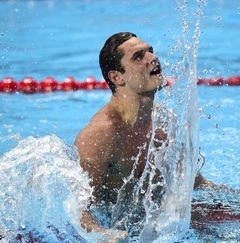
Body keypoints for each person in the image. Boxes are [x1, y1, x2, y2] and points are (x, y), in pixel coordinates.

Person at [74, 32, 213, 241]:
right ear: (116, 77)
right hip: (121, 228)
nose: (152, 58)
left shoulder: (164, 121)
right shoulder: (100, 136)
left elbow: (194, 182)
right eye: (138, 57)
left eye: (150, 51)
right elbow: (78, 209)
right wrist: (105, 236)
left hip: (158, 222)